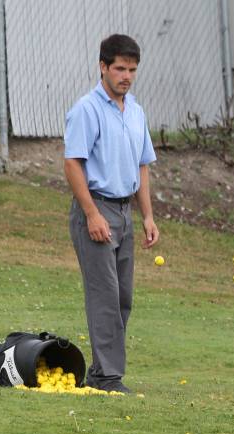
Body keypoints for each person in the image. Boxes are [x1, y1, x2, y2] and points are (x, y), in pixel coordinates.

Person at [64, 34, 159, 393]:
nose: (127, 76)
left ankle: (104, 371)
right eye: (120, 68)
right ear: (103, 67)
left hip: (125, 212)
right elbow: (72, 163)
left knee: (123, 297)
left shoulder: (135, 111)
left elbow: (142, 166)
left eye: (132, 69)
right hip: (96, 208)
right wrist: (91, 214)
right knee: (104, 295)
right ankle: (107, 376)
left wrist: (147, 216)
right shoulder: (86, 109)